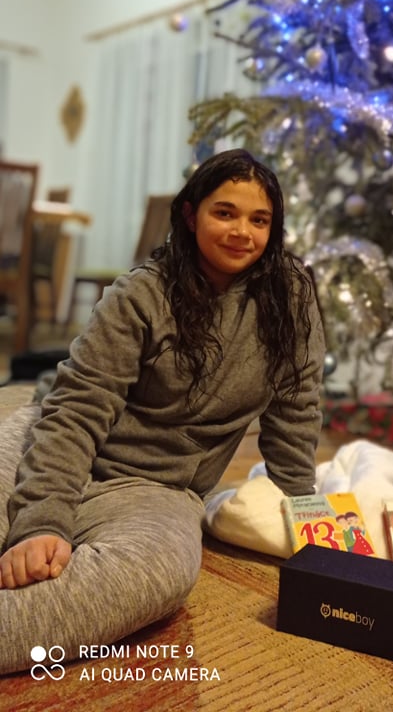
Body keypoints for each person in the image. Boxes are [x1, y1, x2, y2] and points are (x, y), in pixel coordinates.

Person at [0, 149, 325, 674]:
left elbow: (296, 406)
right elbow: (78, 409)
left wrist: (305, 513)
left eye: (259, 220)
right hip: (55, 440)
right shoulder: (141, 293)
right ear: (191, 215)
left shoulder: (291, 295)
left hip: (158, 489)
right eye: (225, 213)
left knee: (163, 576)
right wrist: (40, 522)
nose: (242, 232)